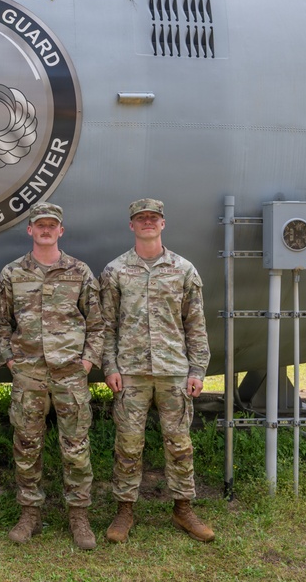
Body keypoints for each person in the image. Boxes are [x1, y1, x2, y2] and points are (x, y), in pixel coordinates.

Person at [100, 198, 214, 544]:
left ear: (163, 224)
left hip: (173, 370)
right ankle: (124, 511)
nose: (147, 222)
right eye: (141, 218)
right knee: (128, 444)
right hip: (131, 372)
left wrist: (197, 369)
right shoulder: (116, 271)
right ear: (131, 225)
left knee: (179, 444)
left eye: (153, 218)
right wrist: (110, 366)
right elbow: (107, 326)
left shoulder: (183, 269)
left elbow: (195, 324)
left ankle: (183, 509)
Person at [0, 202, 104, 549]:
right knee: (27, 446)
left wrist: (87, 363)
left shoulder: (79, 272)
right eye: (39, 225)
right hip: (29, 374)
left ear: (60, 231)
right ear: (30, 230)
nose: (45, 230)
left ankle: (79, 516)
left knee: (76, 446)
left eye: (51, 225)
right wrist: (11, 361)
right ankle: (30, 514)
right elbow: (1, 323)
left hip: (70, 373)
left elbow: (97, 323)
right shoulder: (12, 273)